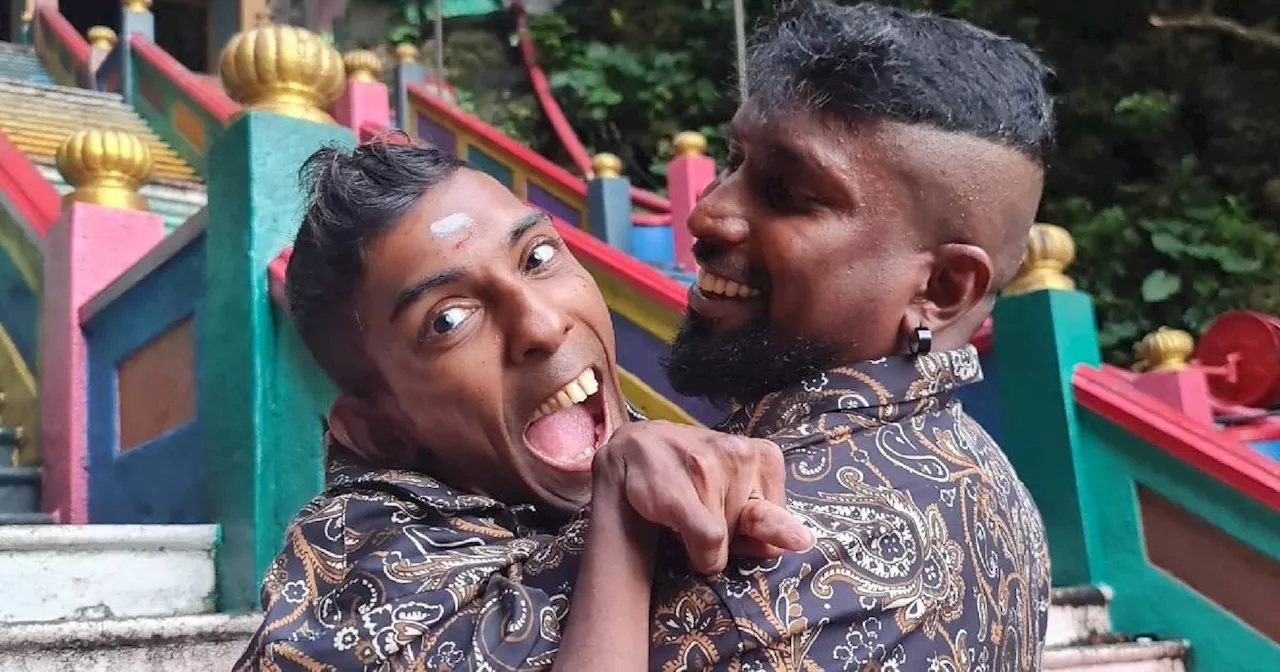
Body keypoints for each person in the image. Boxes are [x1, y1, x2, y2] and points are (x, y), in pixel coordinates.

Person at [234, 138, 812, 671]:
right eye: (449, 320)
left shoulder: (664, 450)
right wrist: (621, 522)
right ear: (381, 431)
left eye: (537, 258)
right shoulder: (349, 575)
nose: (542, 323)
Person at [639, 2, 1055, 669]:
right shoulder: (991, 481)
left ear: (943, 289)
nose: (707, 214)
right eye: (734, 159)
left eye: (787, 193)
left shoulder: (754, 545)